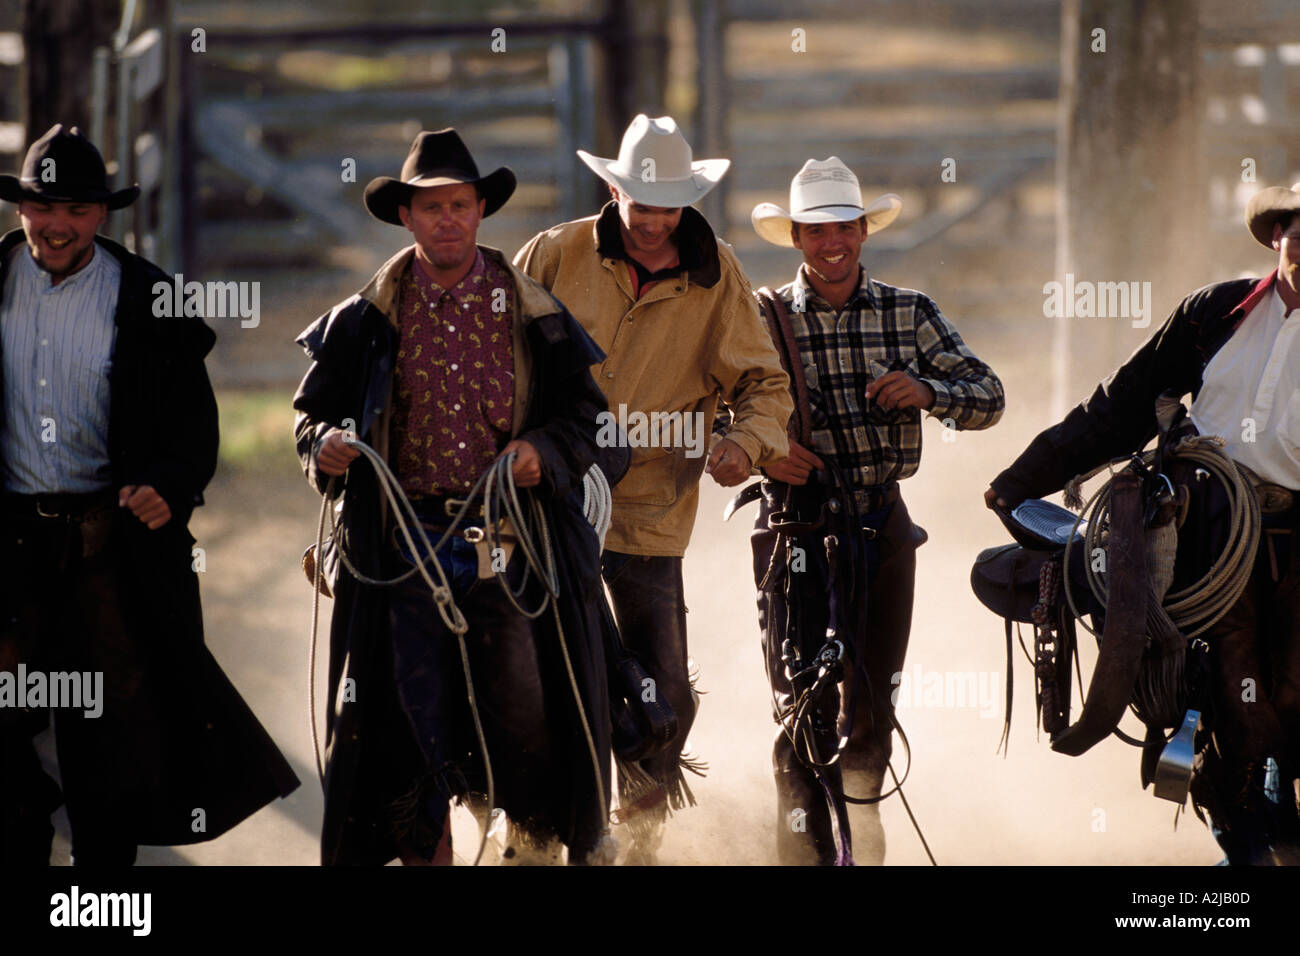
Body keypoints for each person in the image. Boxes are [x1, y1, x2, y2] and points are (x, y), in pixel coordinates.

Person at [292, 128, 619, 866]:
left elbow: (592, 422)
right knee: (408, 739)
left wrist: (543, 451)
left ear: (480, 212)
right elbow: (310, 418)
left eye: (459, 205)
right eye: (431, 207)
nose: (447, 219)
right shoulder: (366, 319)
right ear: (406, 217)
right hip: (398, 551)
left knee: (531, 726)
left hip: (513, 549)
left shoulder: (533, 311)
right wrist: (329, 445)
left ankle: (531, 845)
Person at [0, 124, 299, 865]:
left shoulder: (148, 296)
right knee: (5, 737)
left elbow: (193, 423)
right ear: (20, 210)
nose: (58, 225)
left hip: (110, 552)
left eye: (76, 209)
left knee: (109, 742)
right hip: (8, 554)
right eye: (42, 207)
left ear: (104, 214)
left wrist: (169, 485)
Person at [986, 183, 1300, 865]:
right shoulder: (1216, 313)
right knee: (1228, 701)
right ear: (1276, 234)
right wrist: (1024, 478)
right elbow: (1122, 406)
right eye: (1295, 225)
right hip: (1213, 533)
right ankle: (1245, 846)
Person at [515, 114, 793, 863]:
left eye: (668, 207)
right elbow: (503, 353)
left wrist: (745, 442)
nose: (656, 220)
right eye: (643, 204)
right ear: (614, 190)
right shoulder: (554, 253)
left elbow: (763, 382)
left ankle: (638, 839)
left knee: (661, 690)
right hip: (546, 504)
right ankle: (544, 831)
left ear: (686, 203)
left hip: (650, 513)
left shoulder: (715, 273)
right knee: (543, 682)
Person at [747, 157, 1004, 865]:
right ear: (796, 237)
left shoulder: (909, 310)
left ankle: (861, 835)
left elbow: (989, 394)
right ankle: (804, 852)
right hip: (794, 522)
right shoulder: (759, 316)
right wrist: (766, 449)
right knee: (801, 698)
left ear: (863, 230)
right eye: (817, 231)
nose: (833, 243)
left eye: (844, 228)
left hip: (880, 521)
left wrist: (926, 392)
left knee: (872, 702)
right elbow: (717, 411)